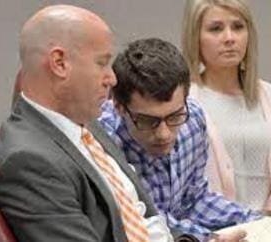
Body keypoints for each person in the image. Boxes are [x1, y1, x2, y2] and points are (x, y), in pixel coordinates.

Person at [0, 5, 175, 242]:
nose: (112, 78)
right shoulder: (27, 161)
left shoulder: (85, 124)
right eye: (102, 63)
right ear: (59, 63)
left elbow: (144, 218)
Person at [99, 37, 262, 242]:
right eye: (148, 121)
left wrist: (256, 222)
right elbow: (144, 220)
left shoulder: (192, 119)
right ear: (119, 107)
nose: (164, 134)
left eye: (174, 116)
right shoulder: (102, 143)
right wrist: (209, 238)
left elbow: (194, 200)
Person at [181, 0, 271, 214]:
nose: (229, 38)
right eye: (216, 29)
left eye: (238, 27)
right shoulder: (184, 102)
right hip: (218, 232)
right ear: (195, 38)